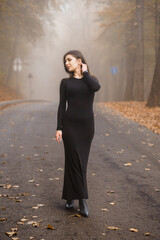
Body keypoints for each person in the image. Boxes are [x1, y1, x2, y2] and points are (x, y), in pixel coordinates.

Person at [56, 50, 100, 217]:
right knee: (75, 161)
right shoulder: (65, 83)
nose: (66, 63)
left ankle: (69, 197)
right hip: (70, 127)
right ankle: (81, 199)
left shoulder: (91, 80)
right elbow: (61, 106)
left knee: (79, 162)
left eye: (69, 60)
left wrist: (85, 72)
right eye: (65, 61)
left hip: (87, 128)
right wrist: (58, 127)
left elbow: (96, 88)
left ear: (79, 60)